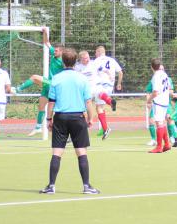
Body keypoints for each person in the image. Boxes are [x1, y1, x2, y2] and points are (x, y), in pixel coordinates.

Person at [39, 48, 99, 195]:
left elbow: (51, 102)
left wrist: (48, 119)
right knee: (81, 152)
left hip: (60, 117)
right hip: (78, 117)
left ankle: (51, 186)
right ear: (75, 61)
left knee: (57, 152)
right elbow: (89, 102)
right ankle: (86, 186)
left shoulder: (56, 79)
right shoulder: (82, 79)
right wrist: (90, 118)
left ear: (63, 62)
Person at [15, 27, 64, 136]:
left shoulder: (62, 61)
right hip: (48, 86)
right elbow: (46, 42)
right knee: (41, 106)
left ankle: (17, 90)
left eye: (56, 50)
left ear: (61, 51)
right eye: (54, 50)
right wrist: (45, 32)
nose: (54, 51)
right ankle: (38, 127)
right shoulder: (54, 54)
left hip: (54, 84)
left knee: (34, 77)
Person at [75, 50, 116, 140]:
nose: (88, 59)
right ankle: (106, 127)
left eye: (88, 57)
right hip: (86, 89)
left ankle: (110, 102)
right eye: (85, 58)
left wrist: (110, 75)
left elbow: (104, 69)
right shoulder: (78, 67)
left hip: (95, 86)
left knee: (99, 103)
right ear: (81, 59)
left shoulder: (94, 63)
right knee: (95, 107)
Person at [93, 46, 122, 139]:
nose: (95, 54)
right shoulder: (112, 60)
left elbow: (96, 70)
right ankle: (106, 129)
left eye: (95, 52)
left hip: (100, 84)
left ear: (98, 52)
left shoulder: (96, 61)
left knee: (99, 97)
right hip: (110, 85)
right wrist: (119, 84)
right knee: (100, 107)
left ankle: (110, 102)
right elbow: (121, 72)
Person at [145, 64, 176, 146]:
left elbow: (171, 92)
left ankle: (171, 138)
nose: (161, 70)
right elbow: (148, 91)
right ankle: (154, 140)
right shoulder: (154, 79)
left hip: (163, 102)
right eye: (160, 69)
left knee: (167, 119)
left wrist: (162, 92)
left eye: (162, 69)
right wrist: (148, 101)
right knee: (152, 121)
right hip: (157, 102)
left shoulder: (167, 78)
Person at [146, 58, 171, 153]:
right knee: (162, 123)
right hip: (165, 100)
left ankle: (159, 146)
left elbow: (155, 92)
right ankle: (167, 144)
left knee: (159, 123)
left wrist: (149, 100)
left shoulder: (156, 77)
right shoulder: (164, 74)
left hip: (159, 101)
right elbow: (168, 87)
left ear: (151, 67)